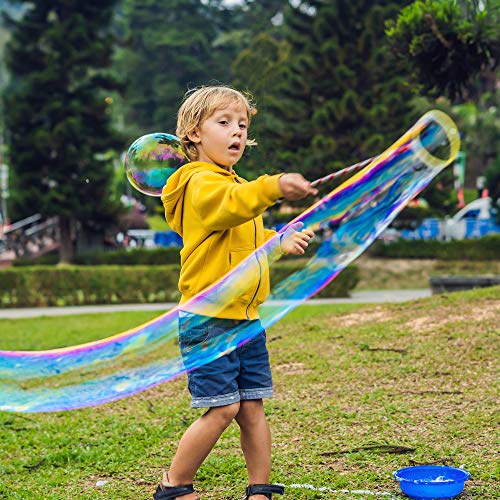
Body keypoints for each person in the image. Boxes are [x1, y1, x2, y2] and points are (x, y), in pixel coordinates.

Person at [156, 85, 317, 500]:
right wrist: (275, 185)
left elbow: (242, 239)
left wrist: (276, 242)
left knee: (252, 407)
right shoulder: (197, 183)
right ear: (193, 133)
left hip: (245, 319)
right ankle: (173, 486)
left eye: (242, 125)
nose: (237, 133)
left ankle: (259, 489)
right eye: (224, 122)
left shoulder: (234, 185)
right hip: (208, 319)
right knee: (224, 407)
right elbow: (230, 205)